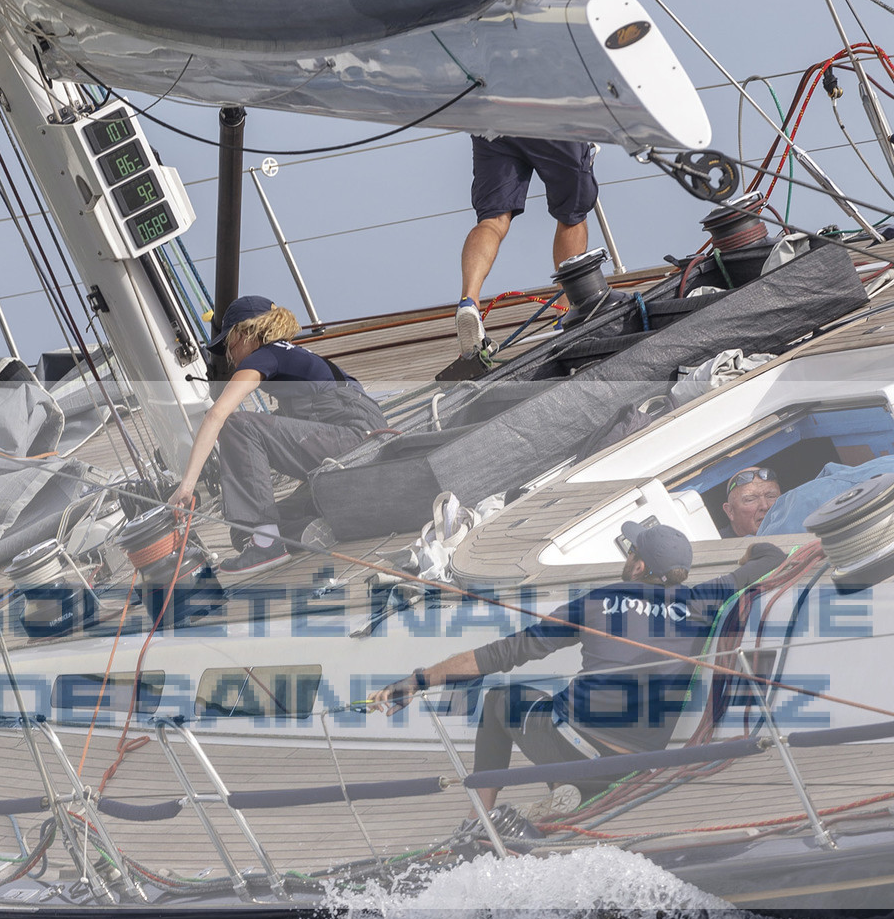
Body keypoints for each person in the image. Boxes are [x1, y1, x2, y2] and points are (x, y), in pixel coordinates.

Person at [380, 518, 784, 825]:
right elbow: (773, 557)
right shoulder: (705, 598)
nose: (627, 558)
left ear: (638, 566)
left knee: (501, 700)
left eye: (630, 552)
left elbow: (503, 654)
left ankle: (479, 819)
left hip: (579, 750)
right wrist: (747, 555)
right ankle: (567, 790)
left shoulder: (598, 600)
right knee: (559, 711)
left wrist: (417, 680)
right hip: (637, 765)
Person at [455, 0, 601, 362]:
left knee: (492, 219)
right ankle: (578, 305)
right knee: (572, 211)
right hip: (546, 106)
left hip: (491, 109)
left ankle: (469, 302)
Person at [167, 296, 387, 575]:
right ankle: (313, 525)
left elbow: (217, 416)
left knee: (236, 424)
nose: (229, 356)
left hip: (354, 441)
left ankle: (268, 545)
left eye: (228, 345)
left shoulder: (265, 355)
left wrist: (186, 488)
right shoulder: (293, 357)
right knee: (244, 529)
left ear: (245, 333)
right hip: (361, 446)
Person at [720, 467, 781, 538]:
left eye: (771, 496)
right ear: (730, 511)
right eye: (750, 500)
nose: (765, 506)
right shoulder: (715, 541)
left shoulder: (792, 529)